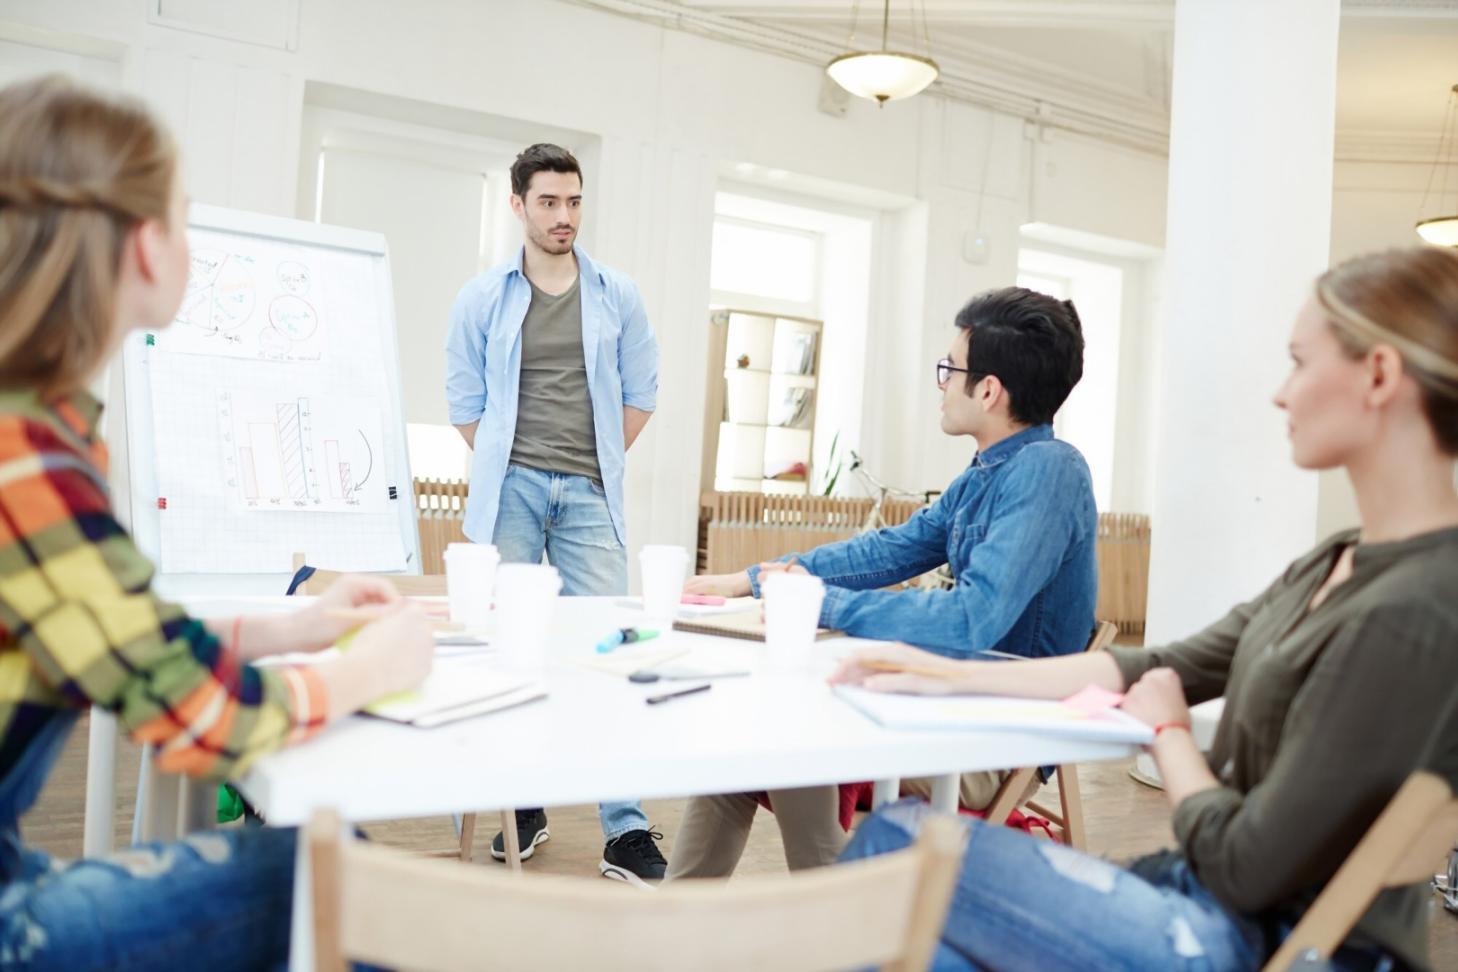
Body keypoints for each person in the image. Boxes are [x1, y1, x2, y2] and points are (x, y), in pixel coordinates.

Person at [834, 245, 1458, 972]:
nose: (1281, 394)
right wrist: (953, 675)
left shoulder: (1418, 608)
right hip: (1203, 903)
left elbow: (1247, 867)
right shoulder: (1335, 560)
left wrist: (1168, 734)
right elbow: (1152, 664)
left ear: (1379, 375)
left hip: (1250, 940)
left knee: (900, 844)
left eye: (1298, 361)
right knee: (927, 949)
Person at [0, 75, 434, 969]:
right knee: (338, 877)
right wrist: (369, 670)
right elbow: (207, 720)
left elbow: (120, 637)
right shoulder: (29, 463)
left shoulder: (31, 432)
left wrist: (298, 626)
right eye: (184, 217)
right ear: (148, 247)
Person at [669, 287, 1097, 880]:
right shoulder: (984, 474)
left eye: (950, 369)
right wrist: (750, 581)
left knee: (793, 739)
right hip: (954, 697)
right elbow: (889, 550)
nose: (941, 383)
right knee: (747, 740)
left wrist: (820, 601)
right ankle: (674, 924)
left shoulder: (1049, 473)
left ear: (990, 390)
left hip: (1002, 730)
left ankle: (845, 930)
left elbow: (972, 621)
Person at [444, 143, 664, 884]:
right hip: (508, 489)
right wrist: (509, 463)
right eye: (548, 202)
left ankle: (625, 828)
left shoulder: (617, 295)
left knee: (611, 648)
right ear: (518, 205)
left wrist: (595, 460)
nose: (564, 215)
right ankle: (519, 804)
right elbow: (463, 399)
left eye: (573, 201)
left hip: (590, 491)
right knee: (508, 648)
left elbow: (643, 389)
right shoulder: (482, 297)